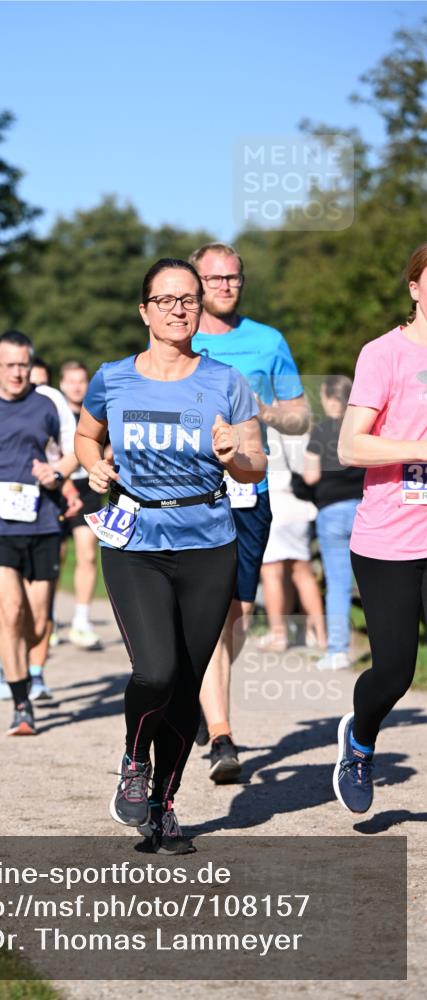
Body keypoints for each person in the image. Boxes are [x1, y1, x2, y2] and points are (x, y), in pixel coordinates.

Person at [75, 258, 266, 853]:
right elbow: (86, 435)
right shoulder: (113, 377)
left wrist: (236, 452)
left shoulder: (226, 382)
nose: (178, 309)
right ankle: (134, 762)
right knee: (154, 672)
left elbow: (257, 464)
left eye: (188, 299)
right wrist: (93, 464)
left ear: (199, 309)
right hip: (136, 542)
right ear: (145, 310)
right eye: (165, 300)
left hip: (209, 542)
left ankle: (163, 805)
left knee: (184, 688)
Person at [189, 242, 309, 783]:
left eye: (233, 278)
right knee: (210, 614)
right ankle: (221, 734)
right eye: (214, 279)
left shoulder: (267, 341)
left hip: (248, 493)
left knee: (237, 613)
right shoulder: (176, 336)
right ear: (195, 281)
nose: (224, 287)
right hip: (190, 492)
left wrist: (259, 409)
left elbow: (302, 415)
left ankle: (201, 691)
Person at [333, 243, 427, 815]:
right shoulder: (384, 354)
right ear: (415, 287)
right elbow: (349, 445)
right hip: (390, 536)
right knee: (394, 670)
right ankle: (360, 743)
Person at [0, 330, 78, 735]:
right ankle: (21, 702)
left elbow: (77, 445)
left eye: (23, 364)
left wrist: (58, 472)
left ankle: (20, 663)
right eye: (9, 365)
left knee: (37, 619)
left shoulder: (49, 402)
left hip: (42, 521)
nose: (17, 372)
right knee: (9, 610)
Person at [303, 376, 364, 670]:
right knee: (376, 581)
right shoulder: (363, 428)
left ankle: (338, 651)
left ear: (329, 398)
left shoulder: (322, 430)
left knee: (338, 583)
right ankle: (388, 648)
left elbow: (310, 476)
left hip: (331, 511)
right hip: (366, 508)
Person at [258, 427, 326, 652]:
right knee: (301, 572)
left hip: (274, 504)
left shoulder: (262, 429)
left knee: (271, 573)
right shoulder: (301, 432)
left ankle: (279, 635)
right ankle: (321, 635)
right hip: (300, 507)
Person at [59, 361, 104, 650]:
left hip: (87, 488)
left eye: (81, 381)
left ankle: (81, 620)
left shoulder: (98, 414)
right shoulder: (51, 412)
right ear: (61, 384)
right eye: (71, 381)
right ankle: (47, 616)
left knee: (87, 555)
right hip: (57, 489)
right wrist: (62, 484)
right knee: (57, 556)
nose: (77, 386)